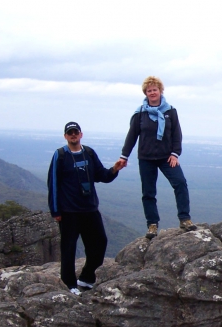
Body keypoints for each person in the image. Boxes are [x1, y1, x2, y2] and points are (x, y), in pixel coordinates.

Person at [48, 122, 123, 295]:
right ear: (65, 136)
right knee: (69, 248)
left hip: (90, 209)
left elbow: (101, 175)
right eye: (70, 133)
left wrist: (114, 169)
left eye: (76, 132)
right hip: (69, 211)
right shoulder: (60, 155)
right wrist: (55, 210)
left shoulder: (88, 153)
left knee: (100, 242)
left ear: (81, 134)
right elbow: (53, 183)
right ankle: (70, 284)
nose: (73, 135)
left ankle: (87, 278)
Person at [116, 76, 196, 239]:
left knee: (180, 182)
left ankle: (185, 219)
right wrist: (124, 156)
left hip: (167, 157)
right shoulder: (140, 114)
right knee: (148, 192)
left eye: (155, 89)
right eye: (149, 90)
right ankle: (152, 224)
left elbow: (176, 134)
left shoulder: (170, 111)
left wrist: (175, 154)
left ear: (160, 91)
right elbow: (131, 136)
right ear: (145, 93)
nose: (152, 92)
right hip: (146, 158)